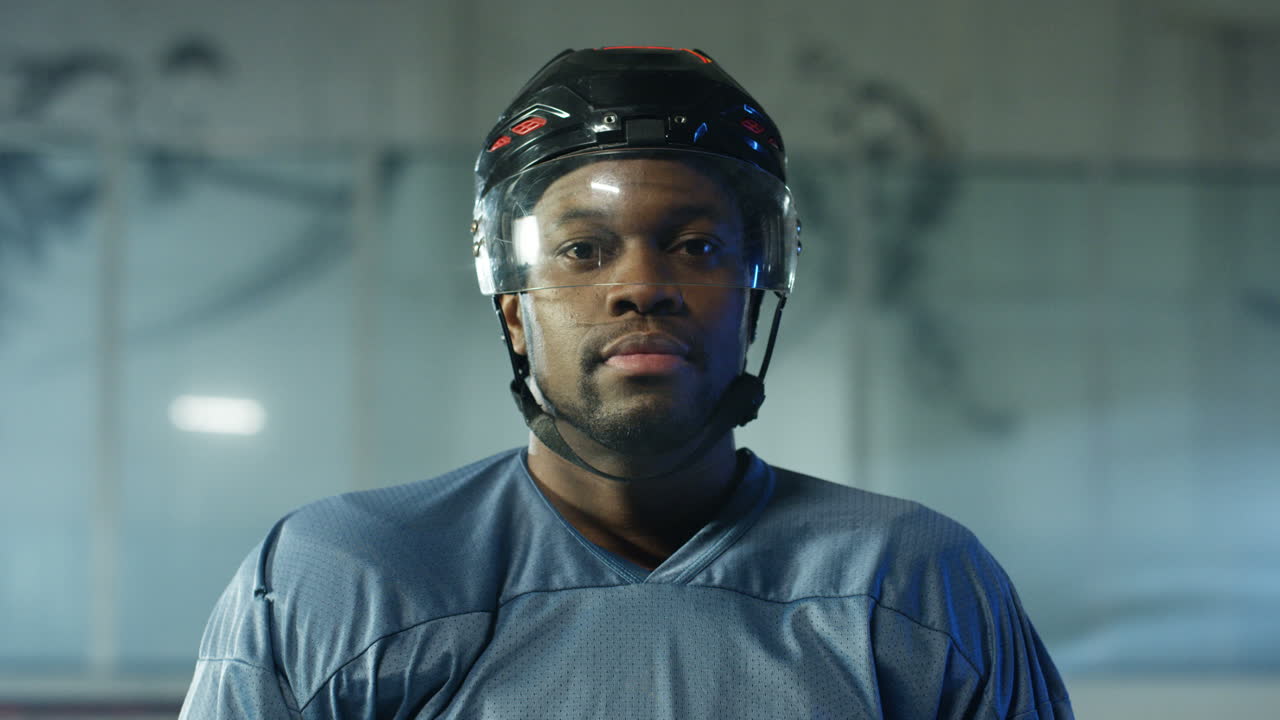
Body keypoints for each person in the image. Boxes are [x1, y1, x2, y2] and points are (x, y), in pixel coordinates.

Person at [179, 46, 1074, 719]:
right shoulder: (341, 576)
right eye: (583, 250)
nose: (642, 285)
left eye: (698, 246)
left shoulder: (912, 582)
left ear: (753, 301)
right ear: (513, 309)